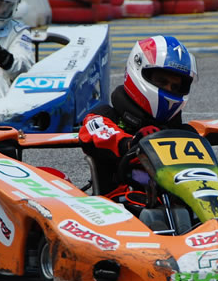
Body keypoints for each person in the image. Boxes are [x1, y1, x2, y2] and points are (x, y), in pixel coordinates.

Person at [79, 35, 198, 195]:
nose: (169, 90)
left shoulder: (181, 132)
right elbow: (96, 135)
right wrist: (131, 144)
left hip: (174, 204)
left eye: (175, 87)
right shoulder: (105, 117)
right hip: (118, 205)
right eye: (162, 82)